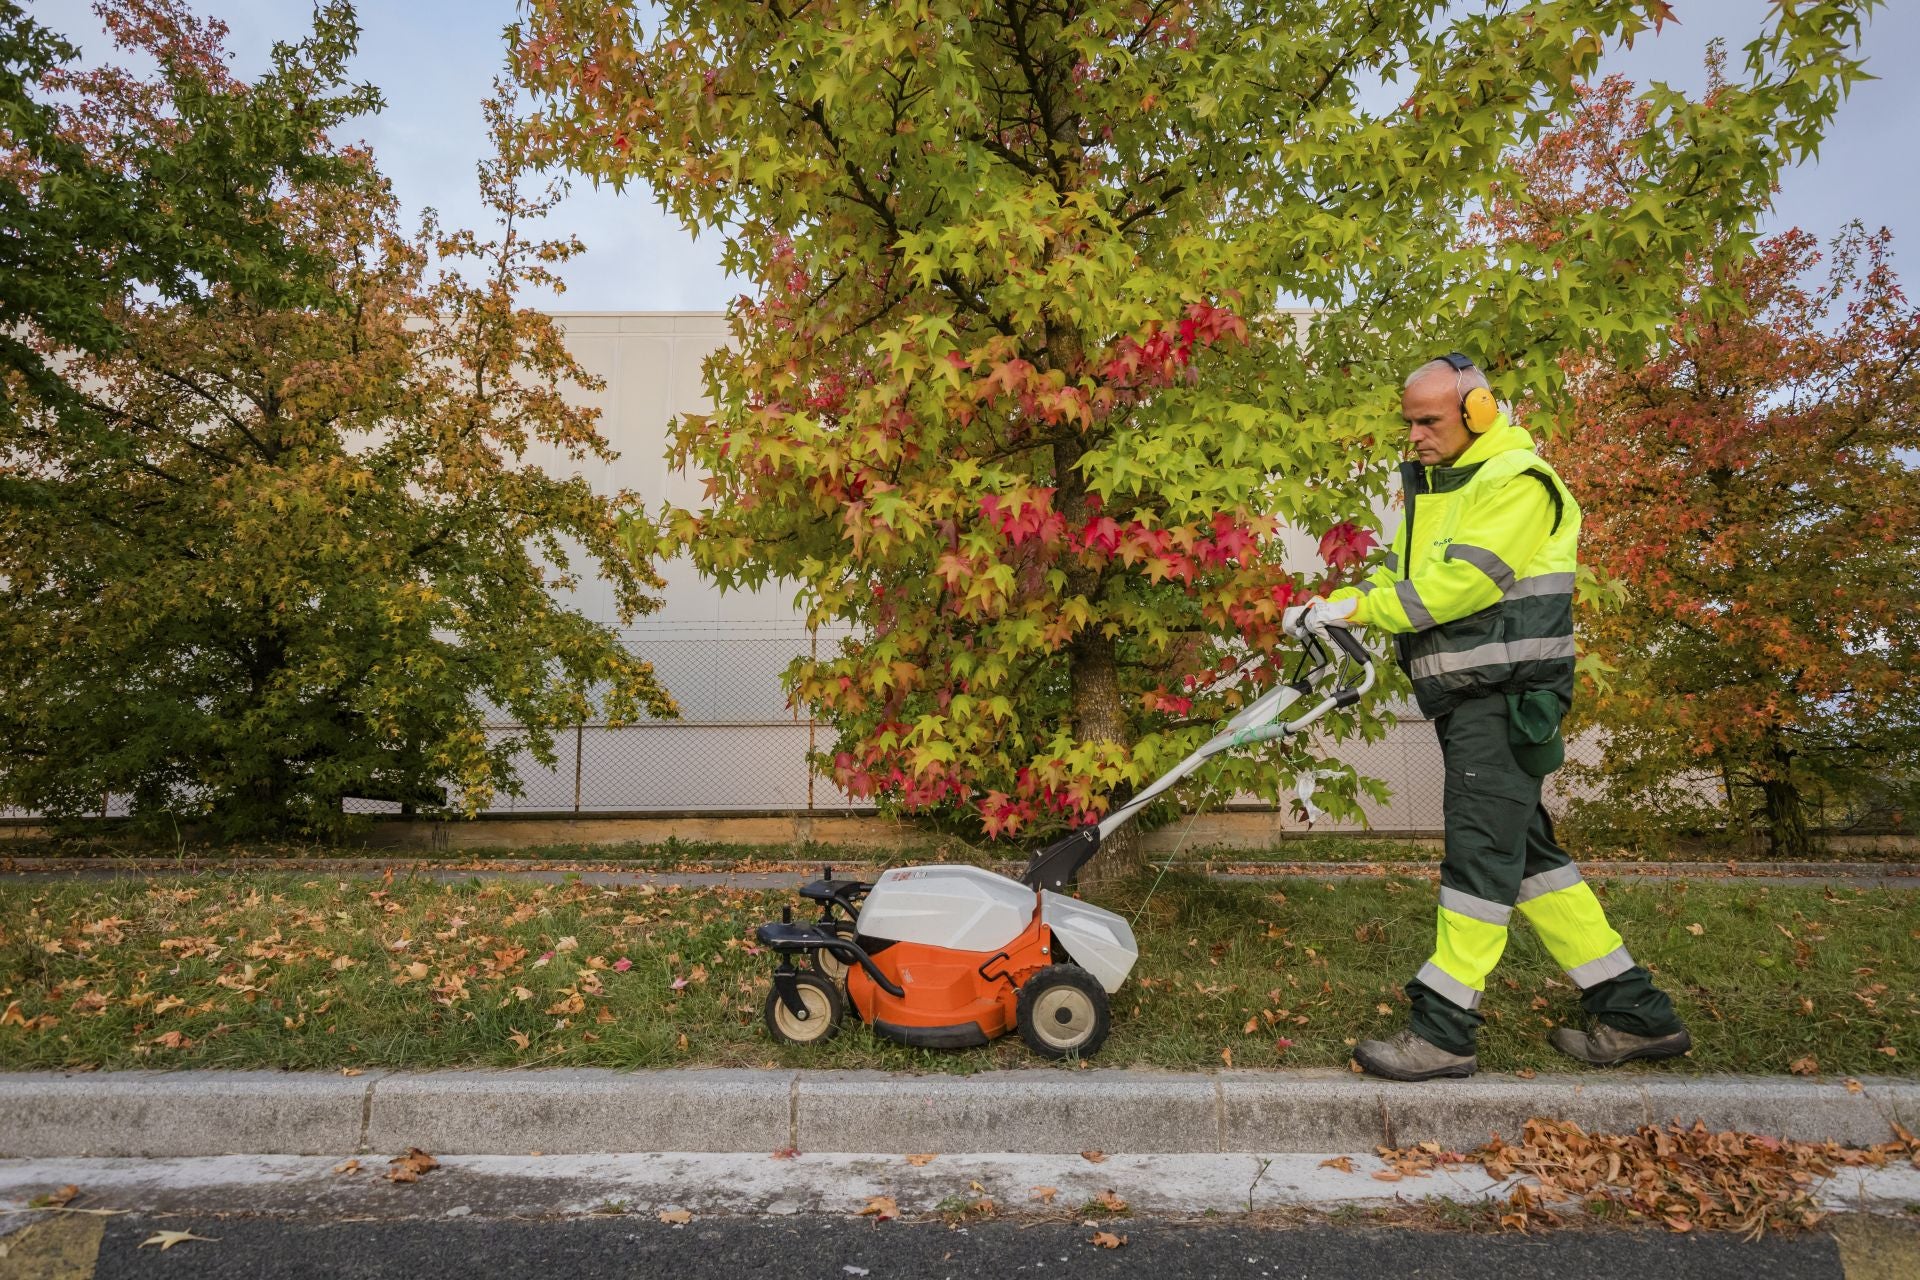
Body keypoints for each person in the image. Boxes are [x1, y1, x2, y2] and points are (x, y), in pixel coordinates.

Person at [1284, 354, 1690, 1082]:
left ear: (1475, 411)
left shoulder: (1519, 484)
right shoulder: (1445, 490)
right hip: (1471, 701)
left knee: (1477, 862)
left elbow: (1461, 588)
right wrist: (1340, 600)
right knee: (1532, 863)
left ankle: (1444, 1032)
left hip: (1504, 702)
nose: (1413, 435)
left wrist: (1366, 608)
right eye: (1408, 421)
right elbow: (1408, 578)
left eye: (1428, 420)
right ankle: (1637, 1015)